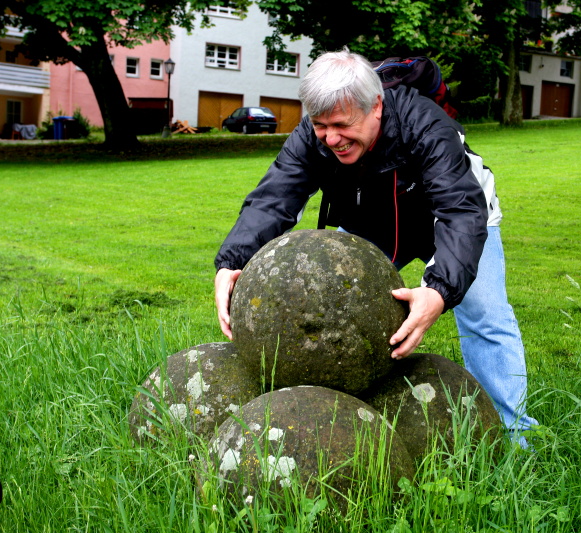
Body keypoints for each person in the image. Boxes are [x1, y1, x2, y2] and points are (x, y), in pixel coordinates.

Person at [214, 50, 537, 447]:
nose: (331, 139)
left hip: (461, 217)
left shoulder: (427, 125)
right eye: (320, 126)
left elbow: (459, 211)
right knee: (339, 308)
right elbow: (274, 199)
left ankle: (514, 433)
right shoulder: (311, 137)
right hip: (373, 222)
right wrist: (232, 260)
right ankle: (350, 427)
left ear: (376, 106)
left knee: (485, 315)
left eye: (341, 125)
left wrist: (438, 291)